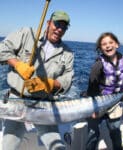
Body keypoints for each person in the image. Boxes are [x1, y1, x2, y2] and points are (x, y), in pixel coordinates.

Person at [0, 11, 74, 150]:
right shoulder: (26, 34)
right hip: (17, 101)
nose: (59, 29)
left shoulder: (68, 53)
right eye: (57, 24)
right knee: (8, 147)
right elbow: (2, 49)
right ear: (48, 23)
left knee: (58, 147)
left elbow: (67, 79)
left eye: (64, 27)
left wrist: (52, 84)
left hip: (45, 105)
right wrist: (17, 64)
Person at [85, 32, 123, 150]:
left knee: (115, 131)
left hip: (116, 102)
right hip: (99, 103)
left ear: (117, 44)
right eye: (104, 44)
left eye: (111, 42)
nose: (108, 46)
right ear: (100, 48)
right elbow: (91, 87)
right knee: (92, 133)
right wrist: (93, 108)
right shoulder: (98, 65)